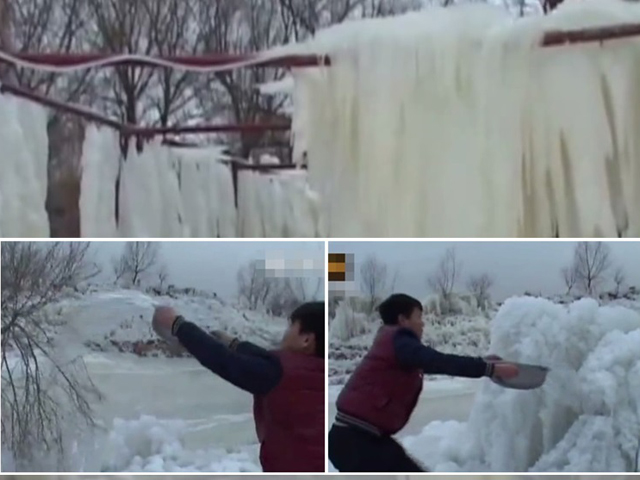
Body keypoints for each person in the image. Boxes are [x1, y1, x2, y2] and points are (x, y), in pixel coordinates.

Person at [328, 293, 519, 472]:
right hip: (356, 441)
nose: (422, 324)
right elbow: (439, 361)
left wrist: (483, 362)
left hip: (360, 437)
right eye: (418, 317)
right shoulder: (399, 341)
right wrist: (490, 369)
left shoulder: (390, 341)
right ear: (403, 320)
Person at [152, 301, 325, 472]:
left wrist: (177, 325)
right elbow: (265, 358)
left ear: (306, 340)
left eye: (291, 327)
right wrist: (234, 343)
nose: (285, 333)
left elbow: (225, 361)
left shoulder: (281, 373)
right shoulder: (315, 371)